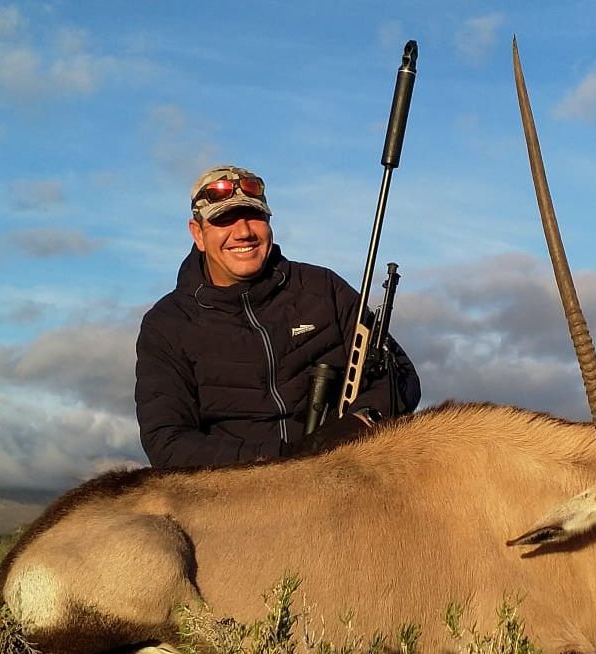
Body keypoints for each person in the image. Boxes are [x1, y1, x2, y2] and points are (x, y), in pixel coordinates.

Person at [135, 164, 421, 468]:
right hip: (238, 496)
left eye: (254, 216)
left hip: (342, 474)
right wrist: (286, 462)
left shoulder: (323, 288)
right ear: (198, 234)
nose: (243, 232)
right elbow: (167, 443)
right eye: (224, 220)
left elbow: (401, 377)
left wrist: (358, 423)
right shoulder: (166, 324)